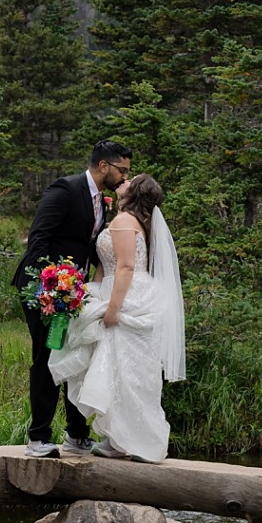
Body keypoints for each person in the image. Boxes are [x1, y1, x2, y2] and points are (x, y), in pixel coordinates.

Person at [49, 173, 185, 463]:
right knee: (124, 369)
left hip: (124, 295)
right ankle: (120, 438)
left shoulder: (124, 221)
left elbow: (124, 267)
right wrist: (89, 291)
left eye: (128, 181)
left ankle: (125, 439)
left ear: (134, 191)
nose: (121, 181)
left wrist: (112, 308)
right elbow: (107, 264)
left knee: (123, 368)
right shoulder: (137, 222)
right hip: (123, 291)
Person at [12, 139, 132, 457]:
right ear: (104, 166)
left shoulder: (101, 202)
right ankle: (38, 438)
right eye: (122, 170)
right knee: (47, 358)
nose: (124, 178)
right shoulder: (65, 190)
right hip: (44, 289)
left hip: (74, 292)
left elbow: (88, 246)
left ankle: (77, 435)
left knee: (75, 357)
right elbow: (39, 237)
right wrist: (45, 288)